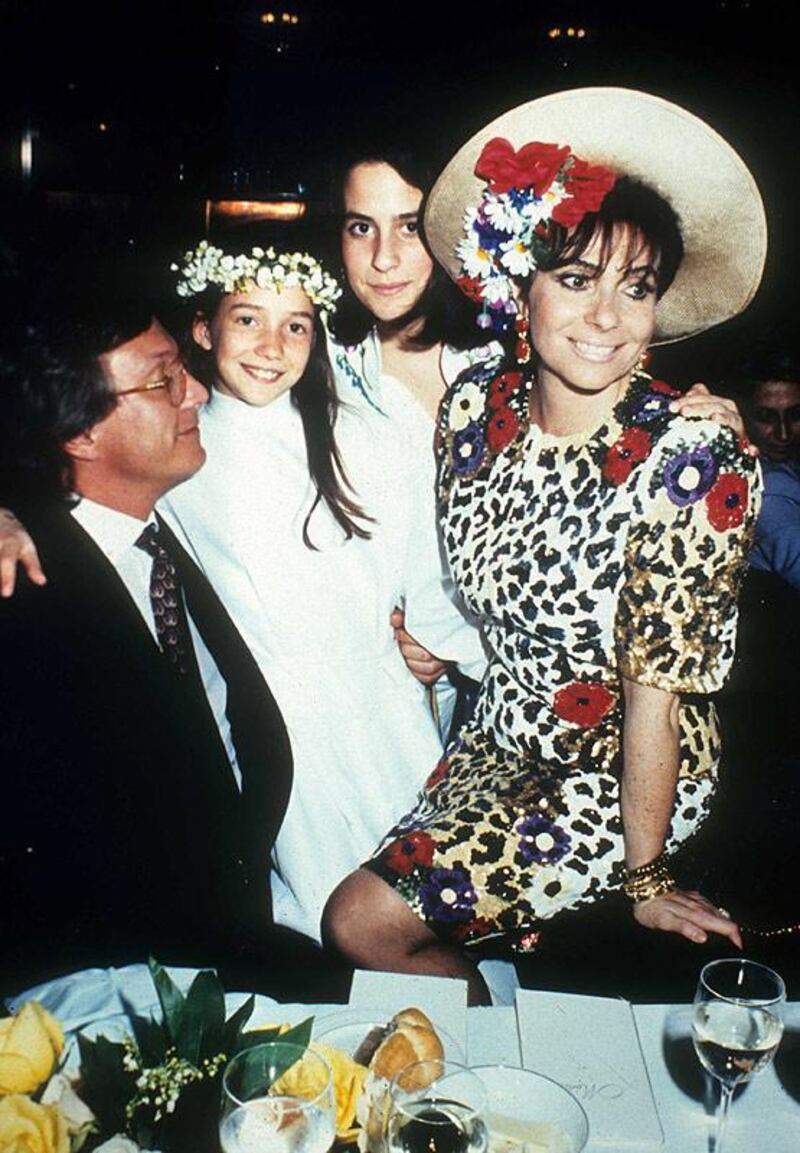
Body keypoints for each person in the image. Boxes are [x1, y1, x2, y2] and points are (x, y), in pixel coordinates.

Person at [322, 87, 765, 1002]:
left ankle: (494, 1047)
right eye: (574, 279)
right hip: (498, 737)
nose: (606, 317)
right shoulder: (475, 407)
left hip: (618, 768)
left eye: (636, 288)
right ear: (519, 285)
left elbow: (656, 696)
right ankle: (493, 1043)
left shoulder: (692, 456)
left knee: (360, 920)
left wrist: (646, 875)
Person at [0, 235, 487, 944]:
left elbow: (430, 581)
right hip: (268, 758)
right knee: (339, 926)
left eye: (296, 326)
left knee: (430, 914)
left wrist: (439, 647)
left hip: (381, 718)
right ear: (206, 328)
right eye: (248, 319)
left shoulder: (366, 437)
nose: (270, 347)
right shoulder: (180, 459)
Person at [326, 141, 753, 734]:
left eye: (409, 227)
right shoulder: (313, 370)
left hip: (550, 711)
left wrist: (703, 431)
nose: (384, 259)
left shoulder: (524, 359)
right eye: (360, 227)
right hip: (382, 692)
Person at [0, 276, 346, 999]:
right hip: (130, 985)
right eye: (164, 382)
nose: (197, 394)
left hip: (244, 932)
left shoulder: (156, 534)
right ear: (80, 432)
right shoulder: (25, 593)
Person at [739, 346, 800, 590]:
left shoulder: (785, 464)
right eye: (765, 416)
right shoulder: (769, 489)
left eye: (795, 415)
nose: (783, 434)